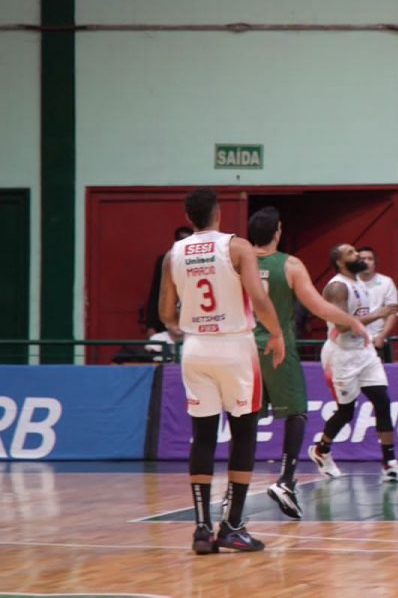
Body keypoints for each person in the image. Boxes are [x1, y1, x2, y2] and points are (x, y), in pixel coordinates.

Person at [158, 187, 285, 554]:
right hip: (235, 346)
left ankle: (201, 529)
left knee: (203, 437)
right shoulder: (237, 247)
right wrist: (277, 333)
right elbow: (258, 298)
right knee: (243, 434)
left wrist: (188, 325)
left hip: (196, 348)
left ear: (188, 218)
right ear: (218, 213)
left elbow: (165, 313)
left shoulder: (173, 254)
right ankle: (231, 527)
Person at [246, 207, 371, 519]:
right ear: (277, 232)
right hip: (277, 345)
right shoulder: (289, 264)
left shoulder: (237, 263)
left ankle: (234, 491)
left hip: (243, 347)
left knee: (244, 417)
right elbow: (317, 306)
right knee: (296, 413)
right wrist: (352, 322)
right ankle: (286, 481)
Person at [308, 243, 398, 482]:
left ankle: (390, 464)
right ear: (339, 262)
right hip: (341, 355)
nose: (357, 256)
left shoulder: (360, 283)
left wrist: (382, 316)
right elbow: (342, 324)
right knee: (346, 412)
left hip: (364, 352)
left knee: (382, 402)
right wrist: (380, 314)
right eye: (351, 253)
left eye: (356, 252)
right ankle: (321, 450)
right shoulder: (337, 287)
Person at [144, 225, 193, 335]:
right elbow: (156, 291)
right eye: (181, 240)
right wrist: (150, 325)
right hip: (168, 316)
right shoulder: (166, 260)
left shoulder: (198, 261)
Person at [356, 246, 398, 357]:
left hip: (376, 341)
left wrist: (382, 336)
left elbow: (393, 311)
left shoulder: (386, 282)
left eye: (370, 259)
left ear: (375, 262)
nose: (366, 262)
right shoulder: (349, 282)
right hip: (353, 340)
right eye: (362, 259)